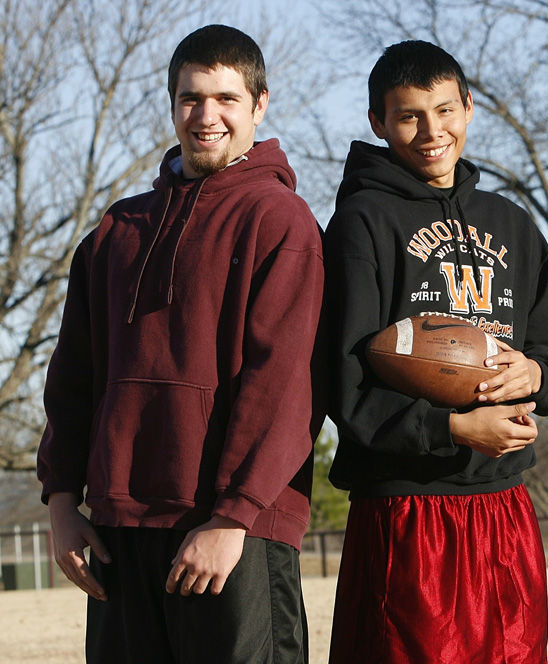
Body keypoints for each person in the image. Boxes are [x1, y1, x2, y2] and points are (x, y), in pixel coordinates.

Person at [36, 24, 324, 664]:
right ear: (172, 105)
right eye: (191, 98)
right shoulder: (117, 228)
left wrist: (232, 518)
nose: (207, 116)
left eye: (226, 98)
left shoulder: (279, 220)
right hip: (120, 526)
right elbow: (74, 375)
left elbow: (285, 385)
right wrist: (63, 500)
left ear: (259, 104)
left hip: (232, 534)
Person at [323, 40, 548, 663]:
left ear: (468, 108)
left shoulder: (513, 224)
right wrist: (453, 427)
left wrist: (535, 370)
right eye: (409, 115)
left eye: (445, 110)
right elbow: (343, 384)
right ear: (378, 124)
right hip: (410, 508)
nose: (431, 131)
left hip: (504, 507)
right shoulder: (361, 224)